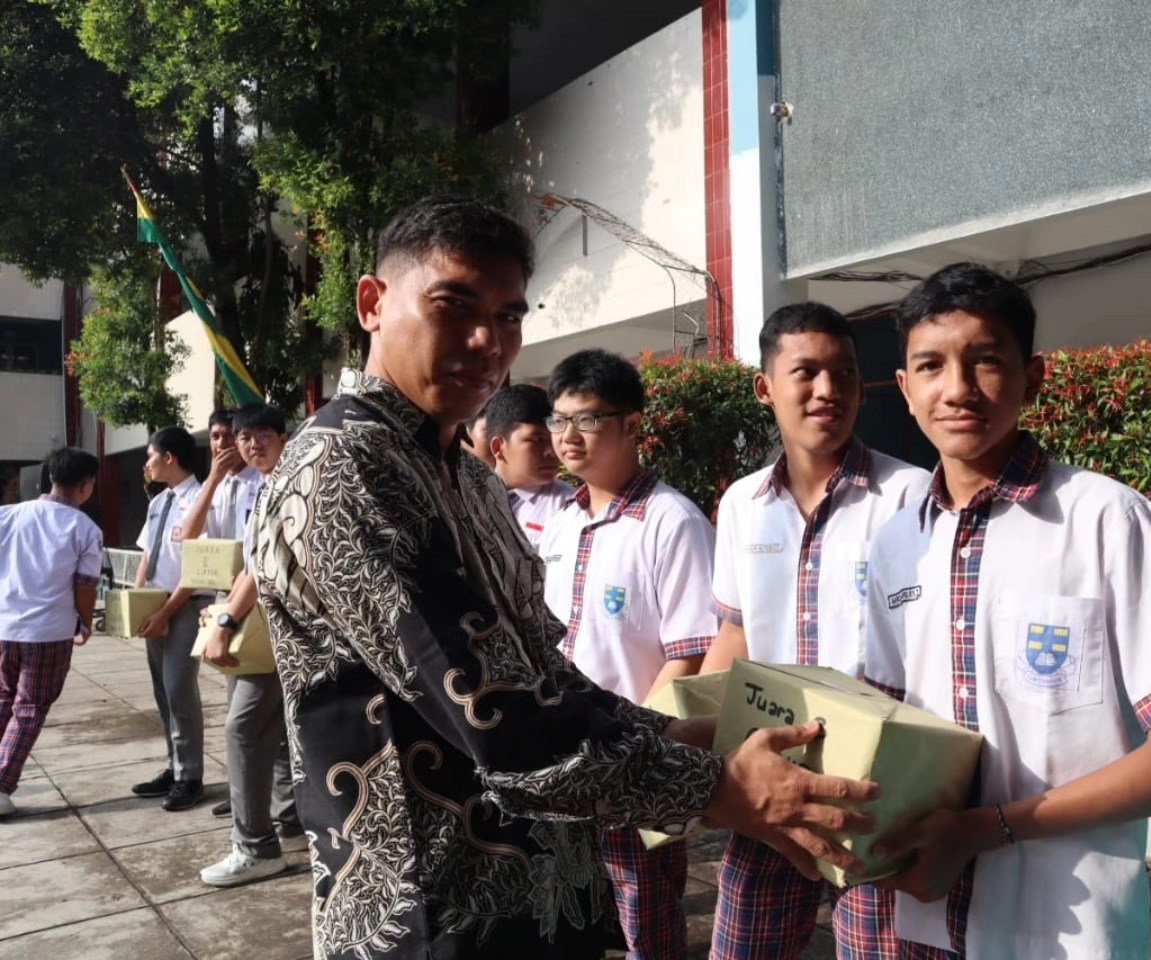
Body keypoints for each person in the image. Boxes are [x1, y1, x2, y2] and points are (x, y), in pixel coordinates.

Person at [249, 196, 879, 960]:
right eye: (454, 305)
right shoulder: (345, 467)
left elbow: (540, 669)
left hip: (540, 893)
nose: (488, 341)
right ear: (372, 303)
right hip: (427, 914)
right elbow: (498, 718)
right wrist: (721, 789)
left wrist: (666, 732)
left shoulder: (470, 479)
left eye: (509, 316)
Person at [856, 263, 1151, 958]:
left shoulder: (1105, 520)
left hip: (1066, 933)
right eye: (931, 365)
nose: (957, 388)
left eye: (986, 360)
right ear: (906, 389)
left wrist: (982, 830)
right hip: (923, 918)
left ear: (1032, 377)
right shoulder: (897, 545)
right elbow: (886, 732)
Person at [698, 302, 930, 960]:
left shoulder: (910, 496)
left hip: (874, 792)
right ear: (765, 387)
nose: (829, 390)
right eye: (806, 372)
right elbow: (735, 636)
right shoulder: (742, 505)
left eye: (844, 373)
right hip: (769, 783)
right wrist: (691, 748)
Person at [539, 349, 717, 960]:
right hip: (561, 756)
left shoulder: (672, 522)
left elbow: (690, 654)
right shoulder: (561, 522)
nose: (568, 436)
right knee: (569, 912)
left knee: (645, 911)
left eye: (587, 420)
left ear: (632, 425)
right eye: (559, 420)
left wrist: (631, 749)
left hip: (632, 760)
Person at [194, 403, 305, 886]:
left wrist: (225, 620)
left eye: (263, 434)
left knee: (244, 729)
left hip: (290, 632)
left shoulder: (289, 486)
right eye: (245, 437)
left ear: (284, 438)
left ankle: (256, 846)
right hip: (269, 629)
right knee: (271, 733)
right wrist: (225, 610)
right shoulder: (262, 490)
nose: (252, 443)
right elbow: (249, 566)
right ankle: (287, 820)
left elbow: (262, 570)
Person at [0, 448, 103, 817]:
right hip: (49, 632)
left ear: (50, 477)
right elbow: (86, 587)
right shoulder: (84, 528)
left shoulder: (8, 515)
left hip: (5, 625)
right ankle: (1, 783)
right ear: (86, 485)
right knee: (30, 707)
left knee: (3, 698)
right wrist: (85, 623)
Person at [131, 426, 219, 812]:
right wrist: (138, 601)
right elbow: (147, 555)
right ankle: (175, 766)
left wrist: (165, 611)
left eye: (150, 456)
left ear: (169, 458)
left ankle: (190, 776)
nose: (147, 464)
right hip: (155, 604)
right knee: (162, 692)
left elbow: (199, 568)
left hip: (186, 604)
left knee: (179, 688)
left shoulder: (202, 499)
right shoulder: (158, 502)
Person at [177, 407, 257, 819]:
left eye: (230, 436)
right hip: (226, 600)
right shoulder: (217, 485)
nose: (223, 444)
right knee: (236, 702)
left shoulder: (261, 481)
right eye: (216, 437)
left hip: (258, 597)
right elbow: (188, 535)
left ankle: (265, 799)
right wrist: (212, 479)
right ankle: (243, 791)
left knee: (254, 711)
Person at [484, 383, 571, 548]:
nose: (551, 452)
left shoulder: (568, 507)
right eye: (537, 440)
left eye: (555, 439)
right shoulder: (468, 497)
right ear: (498, 447)